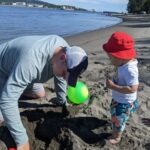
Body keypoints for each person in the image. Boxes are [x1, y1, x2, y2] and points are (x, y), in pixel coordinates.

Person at [0, 35, 88, 149]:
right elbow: (7, 101)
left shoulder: (64, 48)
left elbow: (60, 79)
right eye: (65, 74)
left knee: (40, 94)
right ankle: (11, 87)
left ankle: (15, 87)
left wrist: (62, 102)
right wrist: (22, 141)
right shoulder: (32, 62)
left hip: (20, 68)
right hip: (2, 70)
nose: (66, 79)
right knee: (2, 116)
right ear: (62, 58)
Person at [102, 32, 139, 144]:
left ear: (120, 57)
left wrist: (113, 86)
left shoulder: (130, 70)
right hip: (119, 98)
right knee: (114, 113)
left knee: (118, 121)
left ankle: (116, 137)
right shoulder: (123, 64)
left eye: (111, 58)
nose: (110, 60)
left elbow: (133, 88)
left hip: (124, 102)